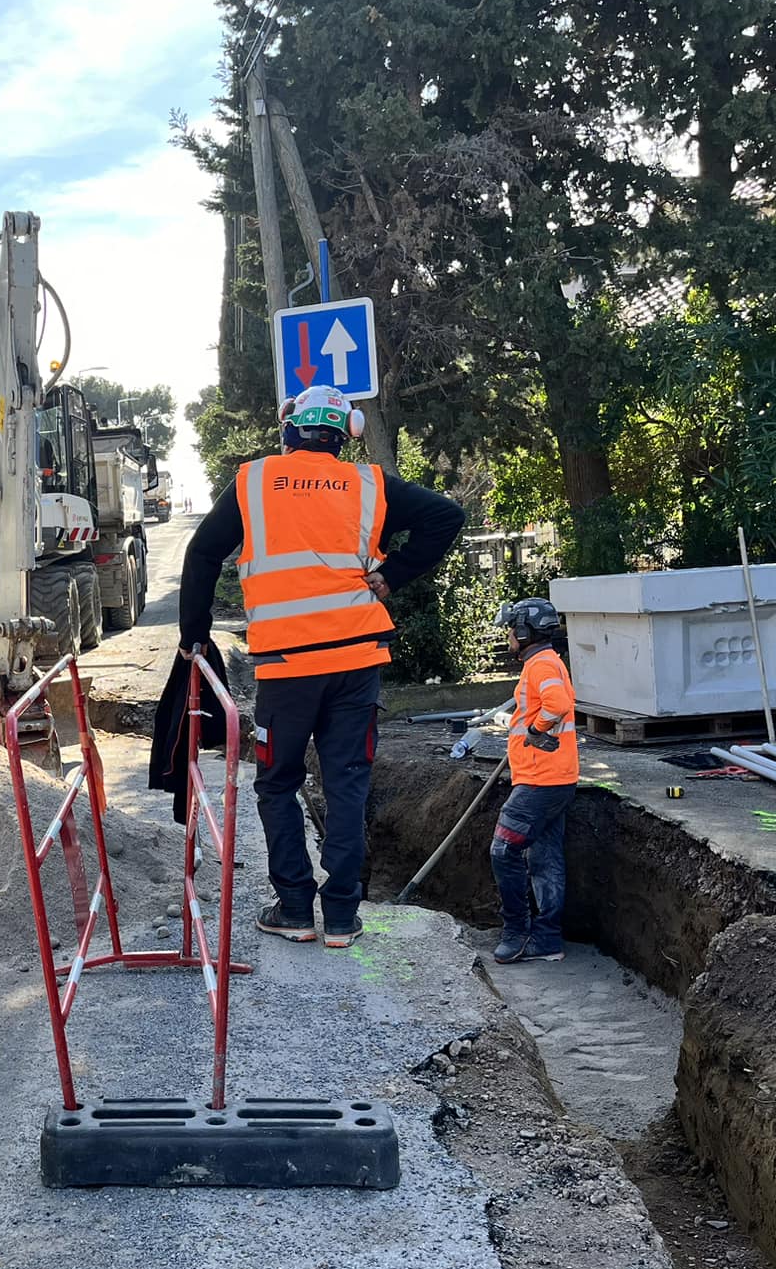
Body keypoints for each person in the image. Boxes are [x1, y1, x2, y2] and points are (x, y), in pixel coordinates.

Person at [178, 384, 466, 949]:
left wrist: (196, 636)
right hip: (358, 661)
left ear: (290, 427)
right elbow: (445, 516)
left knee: (278, 783)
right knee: (347, 785)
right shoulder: (369, 484)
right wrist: (395, 575)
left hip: (286, 669)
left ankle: (293, 910)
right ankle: (340, 917)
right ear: (346, 434)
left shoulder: (255, 482)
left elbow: (203, 553)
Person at [490, 597, 579, 964]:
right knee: (544, 857)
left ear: (525, 631)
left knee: (504, 850)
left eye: (512, 627)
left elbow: (557, 705)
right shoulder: (547, 661)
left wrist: (534, 731)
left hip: (541, 781)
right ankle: (547, 939)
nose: (509, 634)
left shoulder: (541, 666)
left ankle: (517, 933)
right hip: (554, 777)